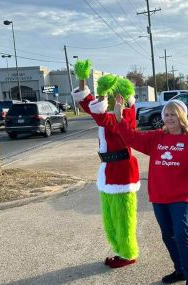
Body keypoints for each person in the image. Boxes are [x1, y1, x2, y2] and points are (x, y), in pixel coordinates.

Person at [114, 96, 188, 285]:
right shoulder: (157, 137)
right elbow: (132, 138)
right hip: (159, 196)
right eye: (166, 114)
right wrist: (119, 118)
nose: (169, 117)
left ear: (181, 116)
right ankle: (180, 270)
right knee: (168, 235)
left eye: (173, 114)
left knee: (182, 234)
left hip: (182, 196)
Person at [71, 59, 141, 268]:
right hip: (109, 171)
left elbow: (103, 119)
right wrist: (83, 80)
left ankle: (128, 254)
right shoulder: (111, 113)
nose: (109, 100)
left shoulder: (126, 116)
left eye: (111, 95)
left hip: (122, 171)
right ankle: (119, 250)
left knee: (123, 217)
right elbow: (92, 108)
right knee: (110, 218)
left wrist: (101, 96)